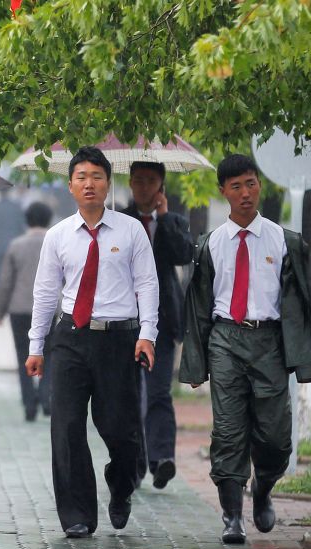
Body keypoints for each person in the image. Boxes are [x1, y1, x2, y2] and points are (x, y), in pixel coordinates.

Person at [178, 154, 311, 545]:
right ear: (222, 192)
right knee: (228, 432)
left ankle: (263, 489)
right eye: (236, 187)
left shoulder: (285, 241)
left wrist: (302, 355)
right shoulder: (210, 245)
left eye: (251, 184)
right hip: (226, 340)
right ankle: (232, 516)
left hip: (269, 343)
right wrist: (196, 365)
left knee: (276, 436)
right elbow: (198, 310)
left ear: (260, 185)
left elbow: (301, 305)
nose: (245, 193)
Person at [25, 147, 159, 538]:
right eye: (81, 177)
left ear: (107, 183)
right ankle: (77, 514)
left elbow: (147, 285)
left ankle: (121, 486)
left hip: (119, 340)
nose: (89, 184)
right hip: (70, 338)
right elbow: (45, 293)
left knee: (121, 430)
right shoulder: (58, 236)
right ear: (70, 186)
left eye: (97, 176)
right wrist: (36, 346)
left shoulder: (131, 231)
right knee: (66, 426)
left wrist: (147, 335)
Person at [120, 162, 195, 489]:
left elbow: (182, 255)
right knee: (129, 394)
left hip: (162, 321)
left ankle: (162, 459)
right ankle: (134, 464)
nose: (144, 187)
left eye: (151, 181)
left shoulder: (174, 221)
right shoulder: (118, 220)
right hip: (124, 320)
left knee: (159, 392)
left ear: (161, 185)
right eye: (138, 181)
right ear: (130, 182)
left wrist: (163, 220)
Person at [0, 202, 55, 421]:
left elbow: (5, 283)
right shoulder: (56, 244)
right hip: (50, 309)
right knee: (48, 354)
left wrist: (0, 311)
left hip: (20, 310)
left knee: (24, 355)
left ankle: (29, 403)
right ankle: (46, 396)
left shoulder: (16, 246)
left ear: (27, 220)